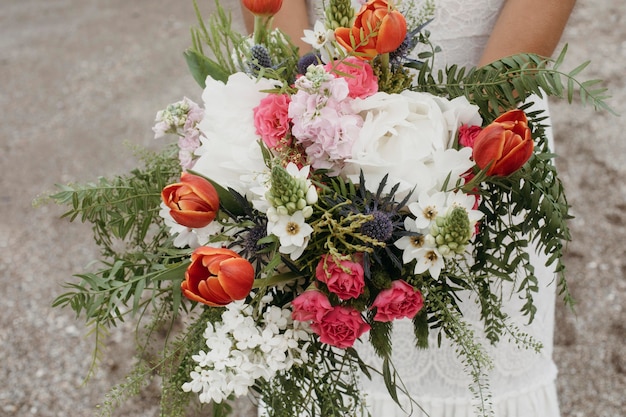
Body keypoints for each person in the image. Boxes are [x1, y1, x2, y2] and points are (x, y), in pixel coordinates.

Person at [242, 1, 576, 415]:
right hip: (325, 121)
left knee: (480, 379)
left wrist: (465, 149)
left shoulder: (481, 142)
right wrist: (306, 120)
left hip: (484, 137)